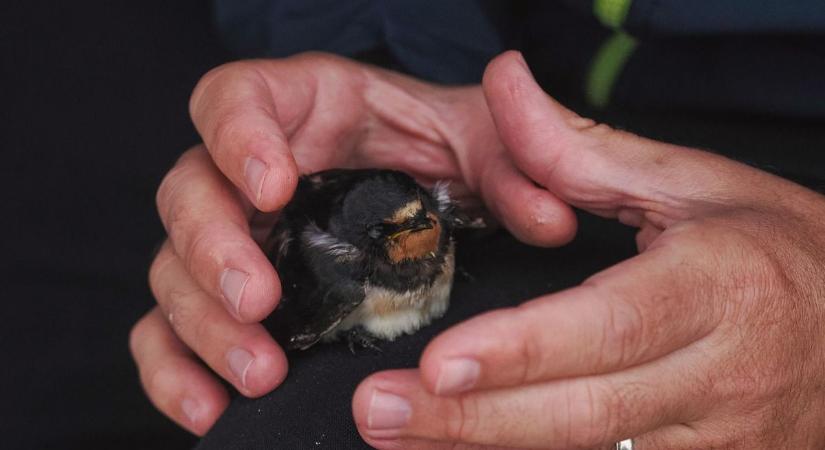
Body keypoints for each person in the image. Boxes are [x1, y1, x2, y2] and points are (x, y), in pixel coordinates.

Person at [129, 2, 825, 448]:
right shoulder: (364, 258)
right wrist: (374, 53)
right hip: (484, 67)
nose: (425, 234)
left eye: (424, 225)